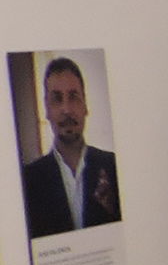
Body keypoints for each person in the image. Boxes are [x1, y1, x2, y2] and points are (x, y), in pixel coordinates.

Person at [21, 56, 123, 238]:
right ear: (47, 109)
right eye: (57, 99)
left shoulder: (114, 167)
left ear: (85, 105)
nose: (66, 109)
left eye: (74, 97)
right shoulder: (28, 181)